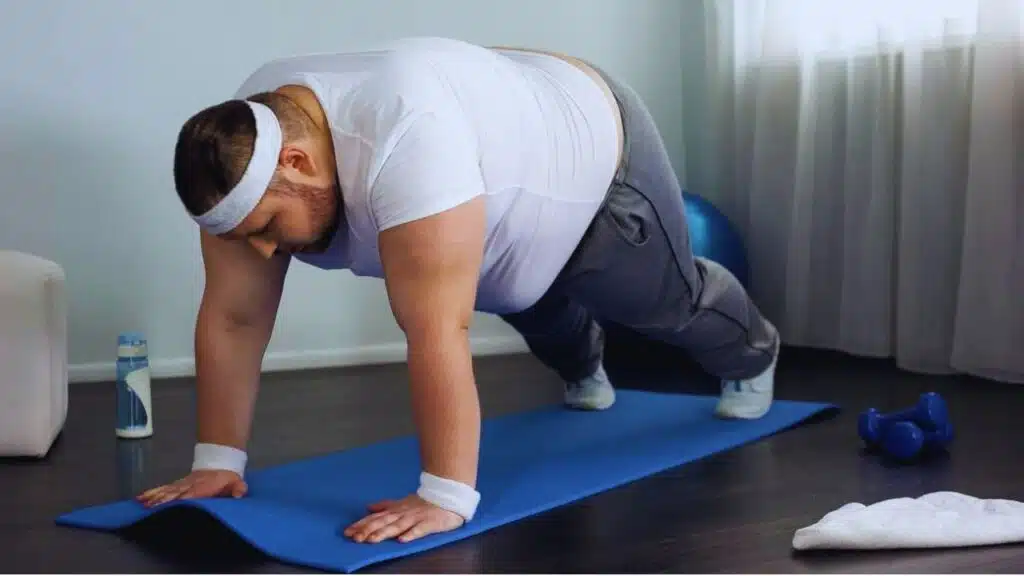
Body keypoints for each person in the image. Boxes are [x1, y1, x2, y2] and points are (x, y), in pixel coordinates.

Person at [136, 37, 779, 544]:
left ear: (298, 162)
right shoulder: (239, 150)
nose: (266, 253)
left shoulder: (405, 137)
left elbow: (436, 333)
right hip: (496, 170)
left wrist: (445, 495)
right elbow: (234, 318)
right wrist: (218, 460)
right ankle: (585, 366)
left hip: (590, 153)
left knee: (667, 303)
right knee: (526, 300)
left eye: (271, 229)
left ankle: (755, 352)